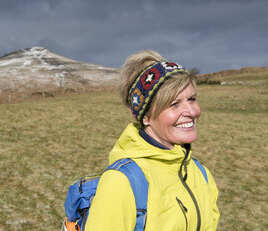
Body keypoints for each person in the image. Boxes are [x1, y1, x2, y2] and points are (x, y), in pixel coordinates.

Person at [85, 50, 220, 231]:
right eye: (174, 104)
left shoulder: (201, 174)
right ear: (146, 117)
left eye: (192, 99)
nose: (192, 111)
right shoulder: (121, 182)